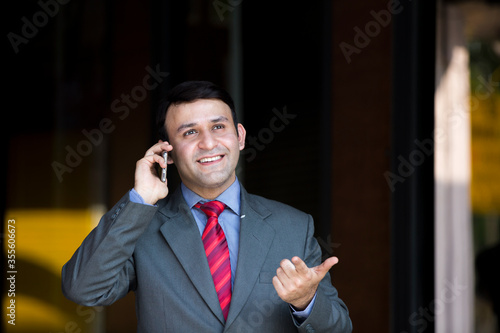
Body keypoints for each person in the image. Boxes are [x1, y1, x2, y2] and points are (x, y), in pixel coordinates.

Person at [62, 81, 352, 332]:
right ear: (168, 151)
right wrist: (139, 199)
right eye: (190, 133)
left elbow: (338, 328)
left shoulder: (294, 226)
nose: (208, 142)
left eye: (218, 126)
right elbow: (82, 289)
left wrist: (305, 302)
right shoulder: (142, 226)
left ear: (239, 136)